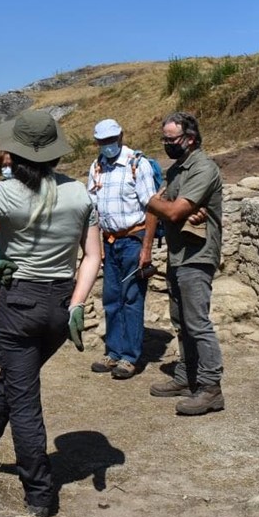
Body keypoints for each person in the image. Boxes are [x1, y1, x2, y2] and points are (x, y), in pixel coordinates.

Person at [0, 110, 102, 517]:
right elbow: (93, 257)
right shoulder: (81, 194)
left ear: (14, 152)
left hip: (19, 302)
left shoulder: (4, 193)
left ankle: (40, 492)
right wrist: (78, 303)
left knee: (25, 398)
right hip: (60, 308)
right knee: (19, 378)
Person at [146, 111, 225, 416]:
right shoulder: (178, 169)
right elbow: (171, 208)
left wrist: (155, 203)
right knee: (181, 321)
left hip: (198, 254)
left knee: (198, 323)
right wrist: (168, 208)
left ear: (189, 139)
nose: (166, 144)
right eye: (163, 139)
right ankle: (186, 376)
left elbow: (172, 210)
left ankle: (210, 388)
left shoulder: (202, 168)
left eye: (171, 139)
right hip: (179, 254)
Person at [85, 119, 158, 380]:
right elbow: (92, 210)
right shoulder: (96, 167)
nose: (107, 145)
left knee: (132, 298)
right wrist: (96, 246)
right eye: (102, 141)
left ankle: (130, 357)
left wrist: (146, 248)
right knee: (111, 298)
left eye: (111, 139)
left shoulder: (137, 165)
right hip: (109, 241)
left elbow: (152, 208)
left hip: (133, 239)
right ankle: (113, 351)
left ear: (121, 136)